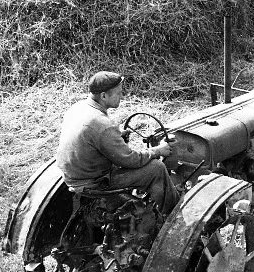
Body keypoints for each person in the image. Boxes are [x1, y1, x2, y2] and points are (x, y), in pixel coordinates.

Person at [56, 71, 178, 216]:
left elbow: (93, 137)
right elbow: (132, 160)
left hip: (74, 175)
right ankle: (172, 215)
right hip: (95, 183)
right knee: (156, 168)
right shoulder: (103, 125)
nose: (122, 96)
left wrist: (116, 136)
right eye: (119, 93)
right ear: (103, 96)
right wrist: (158, 151)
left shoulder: (78, 108)